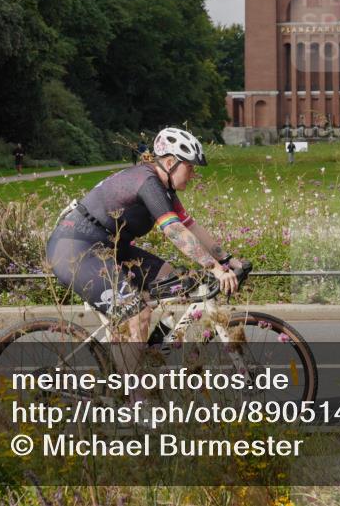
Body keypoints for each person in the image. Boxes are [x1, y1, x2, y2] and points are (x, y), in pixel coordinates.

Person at [46, 127, 242, 375]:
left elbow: (189, 226)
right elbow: (173, 230)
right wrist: (213, 268)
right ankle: (134, 402)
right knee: (135, 315)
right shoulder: (148, 182)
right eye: (190, 167)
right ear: (170, 162)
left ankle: (145, 356)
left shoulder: (164, 188)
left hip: (109, 248)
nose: (193, 174)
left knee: (175, 282)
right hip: (75, 250)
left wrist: (226, 259)